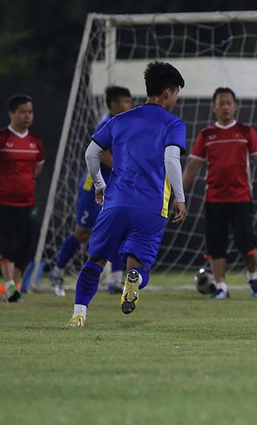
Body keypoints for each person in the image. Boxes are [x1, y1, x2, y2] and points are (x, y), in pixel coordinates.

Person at [66, 61, 187, 328]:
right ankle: (132, 279)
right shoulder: (173, 123)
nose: (176, 98)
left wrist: (99, 184)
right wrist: (180, 197)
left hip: (116, 203)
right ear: (168, 92)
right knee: (139, 266)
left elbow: (91, 153)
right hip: (152, 207)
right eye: (176, 92)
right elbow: (171, 159)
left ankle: (79, 313)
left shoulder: (119, 120)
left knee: (95, 260)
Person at [183, 87, 257, 300]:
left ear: (235, 105)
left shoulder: (246, 132)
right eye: (221, 103)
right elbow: (194, 165)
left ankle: (253, 276)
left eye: (229, 103)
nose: (225, 107)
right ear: (214, 106)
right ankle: (221, 286)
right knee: (216, 247)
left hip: (241, 198)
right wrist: (180, 194)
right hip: (214, 200)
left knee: (248, 247)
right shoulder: (207, 135)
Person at [49, 86, 133, 297]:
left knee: (115, 228)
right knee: (82, 233)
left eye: (130, 101)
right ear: (113, 105)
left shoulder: (127, 124)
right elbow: (102, 154)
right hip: (93, 186)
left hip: (114, 185)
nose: (129, 105)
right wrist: (125, 172)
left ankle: (114, 280)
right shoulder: (106, 123)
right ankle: (57, 272)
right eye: (125, 101)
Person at [0, 95, 45, 303]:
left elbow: (37, 168)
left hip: (28, 202)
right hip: (2, 201)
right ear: (12, 114)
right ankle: (8, 287)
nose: (27, 116)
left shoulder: (35, 141)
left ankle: (14, 288)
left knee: (25, 247)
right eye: (23, 111)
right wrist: (2, 183)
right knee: (6, 244)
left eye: (30, 111)